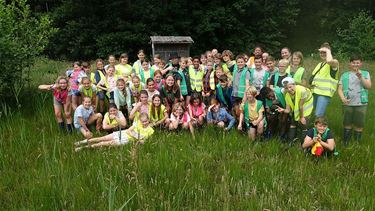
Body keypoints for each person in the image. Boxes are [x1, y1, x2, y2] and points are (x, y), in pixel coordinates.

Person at [337, 54, 371, 145]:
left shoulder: (365, 73)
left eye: (357, 63)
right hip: (347, 103)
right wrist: (342, 98)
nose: (355, 64)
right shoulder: (344, 75)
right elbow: (339, 89)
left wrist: (361, 77)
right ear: (350, 63)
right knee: (347, 123)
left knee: (359, 124)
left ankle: (356, 143)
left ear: (361, 64)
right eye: (353, 63)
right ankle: (346, 142)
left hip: (361, 104)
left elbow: (368, 86)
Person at [74, 112, 154, 151]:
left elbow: (145, 140)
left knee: (103, 144)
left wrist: (139, 138)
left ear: (148, 120)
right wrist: (138, 137)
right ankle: (82, 142)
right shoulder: (138, 123)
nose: (144, 123)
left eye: (146, 121)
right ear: (140, 120)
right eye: (143, 121)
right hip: (123, 133)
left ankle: (83, 148)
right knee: (101, 138)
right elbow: (129, 131)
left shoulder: (151, 130)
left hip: (126, 140)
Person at [277, 77, 313, 145]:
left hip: (305, 106)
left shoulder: (302, 90)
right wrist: (283, 110)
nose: (289, 89)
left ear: (294, 84)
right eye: (287, 88)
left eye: (290, 87)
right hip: (298, 108)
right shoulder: (287, 95)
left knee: (303, 124)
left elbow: (300, 106)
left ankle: (303, 144)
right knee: (293, 124)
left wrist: (302, 117)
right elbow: (288, 110)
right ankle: (290, 142)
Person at [310, 42, 339, 117]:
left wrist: (328, 50)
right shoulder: (320, 64)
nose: (322, 54)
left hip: (324, 94)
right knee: (309, 113)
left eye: (324, 52)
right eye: (321, 52)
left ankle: (320, 128)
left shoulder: (334, 62)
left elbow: (329, 61)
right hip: (314, 92)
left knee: (318, 115)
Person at [231, 54, 251, 119]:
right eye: (238, 62)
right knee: (235, 111)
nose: (240, 63)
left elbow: (247, 85)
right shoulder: (235, 71)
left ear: (245, 62)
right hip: (234, 95)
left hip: (242, 96)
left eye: (241, 62)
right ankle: (238, 125)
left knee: (241, 111)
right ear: (236, 63)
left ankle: (243, 126)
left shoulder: (246, 72)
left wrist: (245, 97)